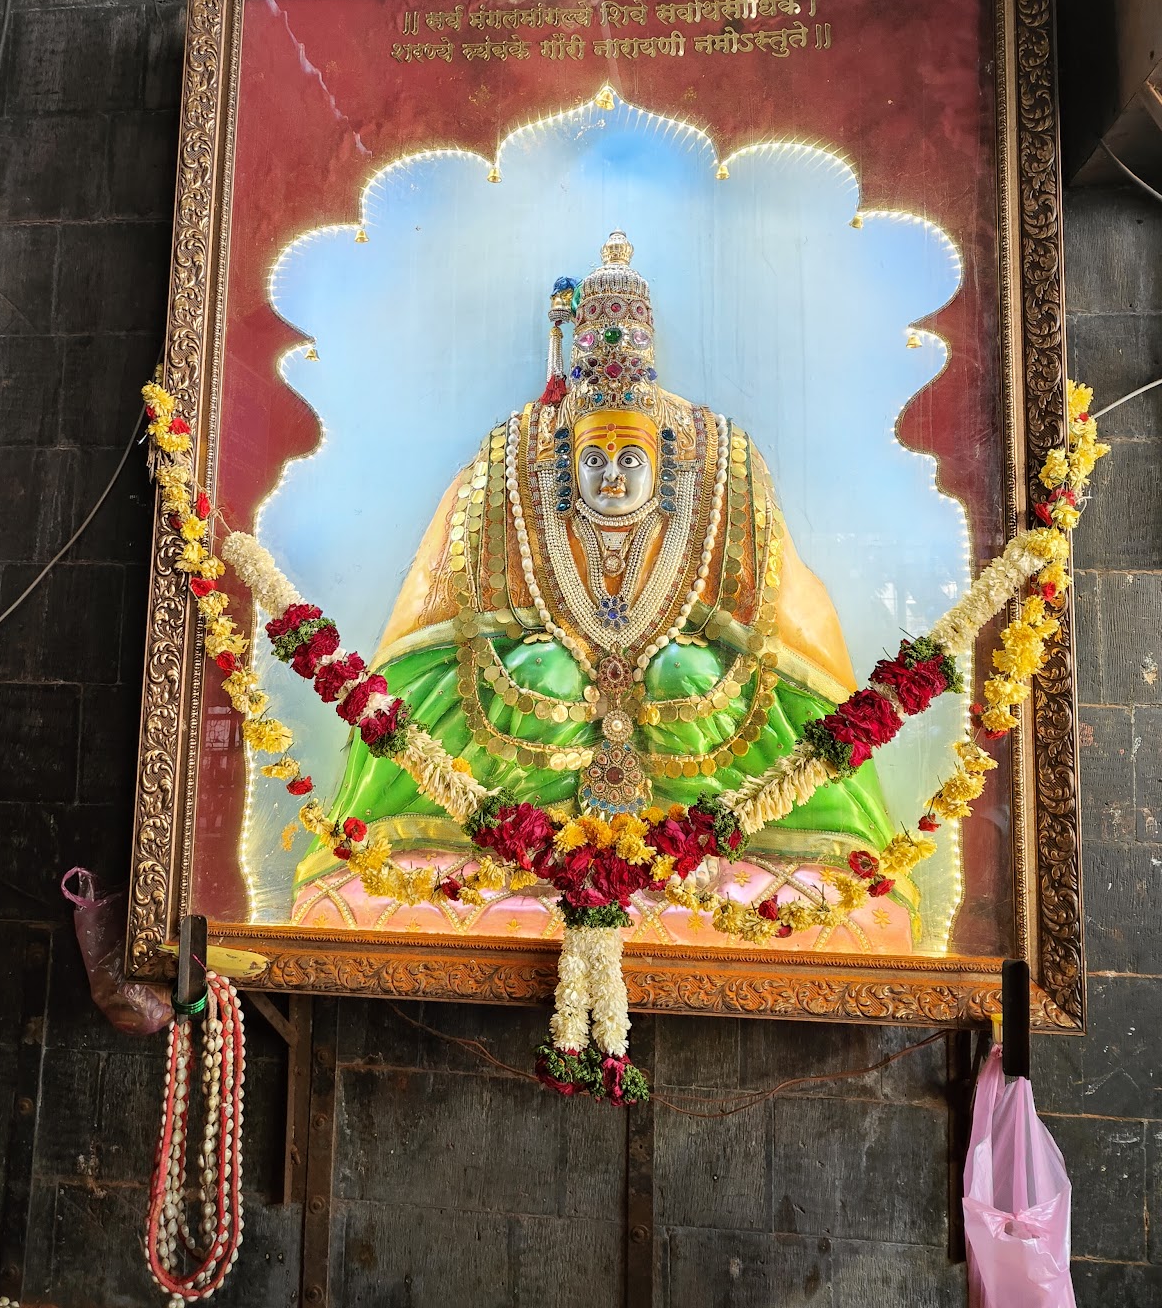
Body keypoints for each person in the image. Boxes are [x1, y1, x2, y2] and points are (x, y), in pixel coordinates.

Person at [293, 233, 900, 945]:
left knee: (686, 670)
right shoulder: (511, 457)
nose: (612, 478)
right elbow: (447, 615)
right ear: (566, 460)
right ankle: (533, 843)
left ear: (665, 461)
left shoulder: (720, 462)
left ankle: (686, 841)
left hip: (689, 801)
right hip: (533, 796)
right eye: (596, 460)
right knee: (540, 670)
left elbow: (776, 618)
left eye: (631, 459)